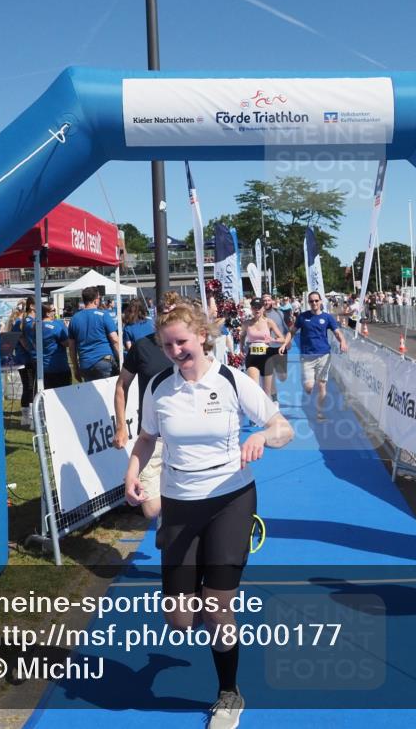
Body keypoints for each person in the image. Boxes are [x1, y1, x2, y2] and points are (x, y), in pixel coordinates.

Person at [124, 303, 293, 728]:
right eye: (167, 345)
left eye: (182, 341)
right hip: (179, 504)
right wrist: (131, 472)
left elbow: (282, 427)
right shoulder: (159, 386)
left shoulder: (232, 380)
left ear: (202, 336)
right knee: (179, 621)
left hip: (230, 500)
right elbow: (147, 438)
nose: (176, 350)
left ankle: (228, 692)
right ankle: (215, 613)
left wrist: (262, 436)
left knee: (217, 606)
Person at [113, 298, 175, 520]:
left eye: (173, 313)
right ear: (156, 315)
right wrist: (121, 426)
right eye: (164, 312)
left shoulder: (188, 347)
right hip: (150, 436)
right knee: (151, 510)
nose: (168, 317)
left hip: (182, 437)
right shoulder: (142, 346)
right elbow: (122, 386)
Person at [282, 291, 348, 420]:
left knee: (322, 384)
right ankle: (310, 390)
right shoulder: (302, 317)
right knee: (309, 387)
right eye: (311, 301)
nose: (314, 303)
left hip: (324, 355)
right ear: (308, 302)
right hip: (307, 356)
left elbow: (337, 332)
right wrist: (285, 343)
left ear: (320, 301)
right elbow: (292, 331)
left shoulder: (327, 317)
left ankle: (319, 412)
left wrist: (343, 342)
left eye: (316, 301)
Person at [68, 286, 121, 381]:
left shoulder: (74, 318)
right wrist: (121, 360)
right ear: (96, 300)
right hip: (104, 361)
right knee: (109, 394)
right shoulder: (104, 315)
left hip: (85, 364)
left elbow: (72, 347)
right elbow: (115, 340)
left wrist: (76, 368)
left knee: (91, 394)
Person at [23, 303, 72, 390]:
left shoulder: (33, 326)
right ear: (47, 313)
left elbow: (28, 342)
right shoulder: (55, 327)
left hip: (42, 368)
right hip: (58, 367)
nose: (55, 312)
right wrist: (66, 328)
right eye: (53, 310)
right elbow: (67, 343)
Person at [241, 298, 285, 393]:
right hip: (252, 357)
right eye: (254, 307)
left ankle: (272, 401)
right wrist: (241, 349)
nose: (257, 309)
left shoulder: (269, 322)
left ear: (263, 309)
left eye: (259, 307)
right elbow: (242, 336)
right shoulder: (246, 323)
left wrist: (273, 340)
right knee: (255, 389)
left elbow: (282, 339)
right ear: (251, 309)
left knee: (266, 392)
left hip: (266, 358)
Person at [261, 293, 290, 402]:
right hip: (266, 349)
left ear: (272, 301)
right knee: (270, 375)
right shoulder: (259, 314)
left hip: (280, 348)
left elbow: (286, 329)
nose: (266, 302)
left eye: (268, 300)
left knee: (282, 377)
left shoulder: (279, 313)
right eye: (264, 300)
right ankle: (274, 400)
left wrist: (287, 341)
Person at [13, 297, 36, 426]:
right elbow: (20, 339)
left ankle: (28, 417)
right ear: (31, 306)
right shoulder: (21, 321)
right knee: (30, 387)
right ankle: (29, 418)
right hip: (25, 359)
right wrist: (32, 350)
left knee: (30, 387)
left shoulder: (30, 320)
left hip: (30, 358)